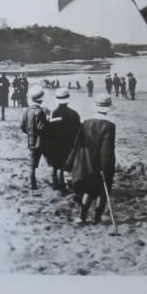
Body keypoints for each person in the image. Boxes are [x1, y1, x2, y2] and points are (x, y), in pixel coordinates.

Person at [65, 93, 116, 225]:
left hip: (85, 162)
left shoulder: (86, 123)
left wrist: (69, 163)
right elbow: (107, 151)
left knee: (88, 190)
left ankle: (82, 217)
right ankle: (97, 218)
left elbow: (77, 144)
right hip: (99, 164)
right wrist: (105, 169)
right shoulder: (109, 126)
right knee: (101, 192)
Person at [45, 88, 82, 192]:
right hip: (69, 144)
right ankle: (66, 184)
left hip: (55, 144)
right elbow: (78, 131)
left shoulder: (53, 113)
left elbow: (49, 130)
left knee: (55, 166)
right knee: (64, 166)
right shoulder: (74, 114)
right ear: (68, 99)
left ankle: (55, 184)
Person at [21, 88, 50, 190]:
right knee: (51, 163)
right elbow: (41, 128)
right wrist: (48, 121)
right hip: (42, 142)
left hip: (31, 141)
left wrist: (30, 134)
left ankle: (33, 185)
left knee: (32, 165)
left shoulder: (26, 111)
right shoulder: (40, 112)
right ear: (41, 100)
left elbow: (23, 127)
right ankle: (55, 184)